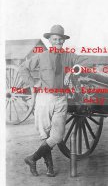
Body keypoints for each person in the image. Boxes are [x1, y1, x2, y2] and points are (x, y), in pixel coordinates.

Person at [19, 25, 86, 177]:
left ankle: (32, 158)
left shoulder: (69, 56)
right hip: (44, 98)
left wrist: (73, 71)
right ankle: (49, 168)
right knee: (45, 135)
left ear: (63, 41)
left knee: (57, 135)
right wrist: (33, 83)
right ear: (49, 40)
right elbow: (23, 68)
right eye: (54, 39)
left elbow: (83, 61)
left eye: (60, 39)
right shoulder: (41, 56)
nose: (57, 42)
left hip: (61, 99)